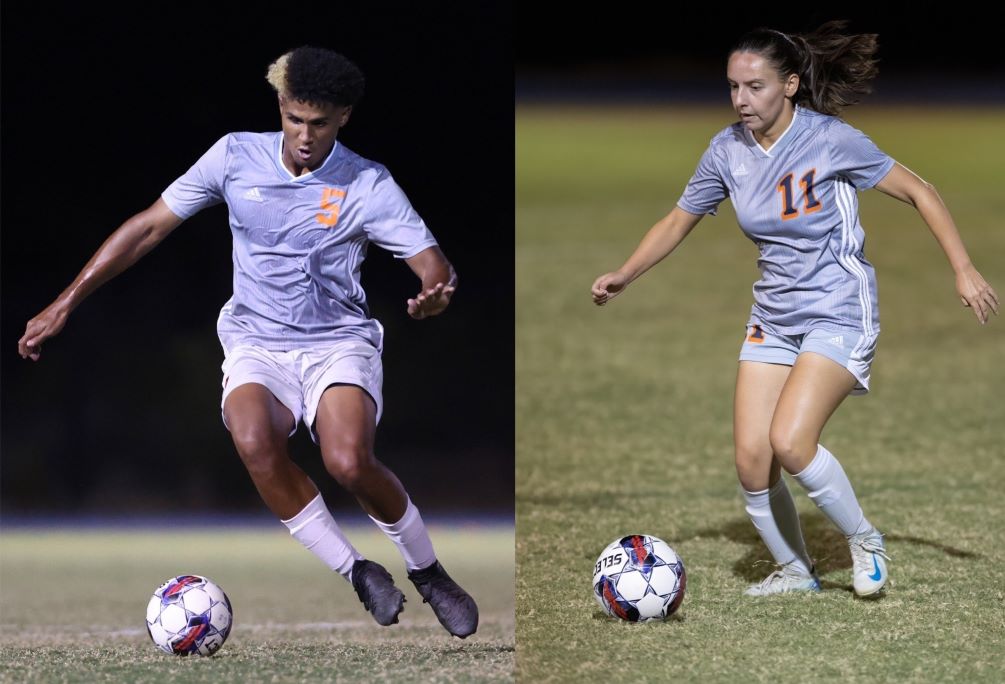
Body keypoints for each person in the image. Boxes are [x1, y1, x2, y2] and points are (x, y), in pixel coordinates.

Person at [18, 46, 479, 636]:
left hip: (337, 342)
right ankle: (358, 572)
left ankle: (429, 571)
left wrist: (436, 292)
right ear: (281, 108)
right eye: (294, 119)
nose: (305, 135)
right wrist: (66, 301)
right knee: (254, 440)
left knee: (347, 460)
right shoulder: (235, 155)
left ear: (343, 118)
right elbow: (149, 227)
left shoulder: (367, 182)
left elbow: (433, 265)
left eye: (319, 123)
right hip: (255, 341)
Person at [590, 20, 998, 597]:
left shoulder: (831, 139)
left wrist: (962, 267)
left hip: (838, 309)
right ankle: (794, 571)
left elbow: (919, 190)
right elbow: (679, 218)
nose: (740, 100)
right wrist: (625, 274)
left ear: (789, 85)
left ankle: (865, 541)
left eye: (754, 87)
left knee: (791, 442)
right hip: (774, 316)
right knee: (753, 460)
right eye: (732, 87)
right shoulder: (727, 149)